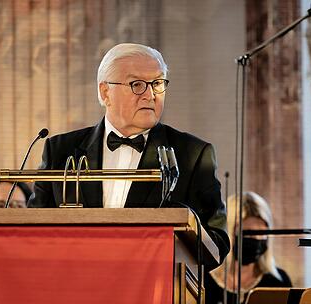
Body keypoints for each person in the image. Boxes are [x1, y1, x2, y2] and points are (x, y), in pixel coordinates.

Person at [27, 42, 229, 259]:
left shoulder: (193, 154)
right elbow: (31, 233)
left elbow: (217, 242)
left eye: (158, 83)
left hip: (153, 288)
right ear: (105, 92)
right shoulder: (60, 150)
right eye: (137, 84)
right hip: (75, 284)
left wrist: (179, 224)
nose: (150, 95)